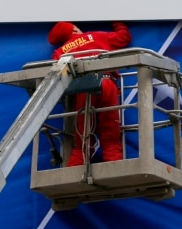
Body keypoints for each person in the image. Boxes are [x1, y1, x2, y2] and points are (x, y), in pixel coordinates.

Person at [48, 21, 132, 167]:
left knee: (82, 142)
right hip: (106, 83)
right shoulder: (94, 36)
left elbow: (53, 76)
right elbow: (124, 37)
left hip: (82, 90)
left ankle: (72, 178)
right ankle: (114, 169)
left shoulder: (59, 52)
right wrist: (117, 21)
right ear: (74, 29)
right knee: (110, 136)